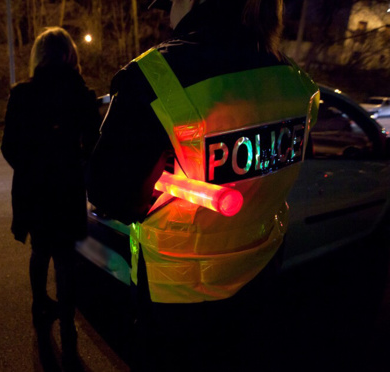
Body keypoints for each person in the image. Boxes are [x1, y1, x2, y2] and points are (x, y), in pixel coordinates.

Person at [87, 0, 320, 370]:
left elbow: (108, 194)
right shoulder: (294, 79)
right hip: (261, 279)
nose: (168, 11)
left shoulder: (153, 77)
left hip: (179, 302)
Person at [1, 27, 101, 371]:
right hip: (68, 185)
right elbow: (93, 142)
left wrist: (31, 167)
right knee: (65, 255)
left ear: (38, 56)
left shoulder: (22, 94)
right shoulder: (81, 92)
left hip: (35, 186)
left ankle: (39, 303)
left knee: (40, 247)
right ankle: (67, 315)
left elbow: (8, 147)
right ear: (70, 54)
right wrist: (75, 162)